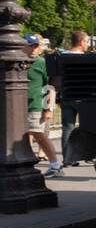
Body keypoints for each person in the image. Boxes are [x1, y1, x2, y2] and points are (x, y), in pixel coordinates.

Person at [24, 34, 62, 178]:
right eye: (31, 45)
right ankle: (27, 164)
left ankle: (55, 165)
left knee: (39, 135)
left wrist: (48, 108)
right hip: (21, 106)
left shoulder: (41, 62)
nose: (34, 48)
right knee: (24, 135)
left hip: (36, 105)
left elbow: (49, 86)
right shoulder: (19, 61)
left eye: (36, 46)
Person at [58, 29, 89, 166]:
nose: (88, 44)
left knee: (67, 128)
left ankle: (67, 158)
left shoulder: (62, 56)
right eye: (87, 41)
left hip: (66, 95)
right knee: (86, 128)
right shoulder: (85, 58)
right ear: (82, 42)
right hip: (82, 97)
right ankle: (83, 155)